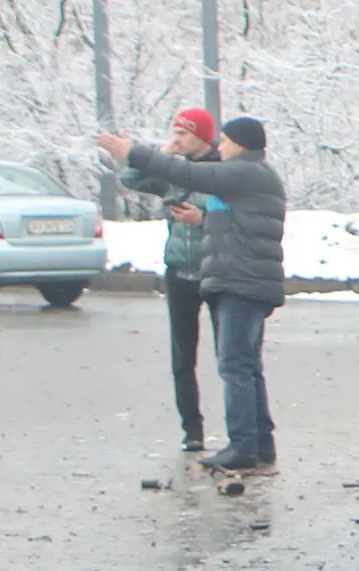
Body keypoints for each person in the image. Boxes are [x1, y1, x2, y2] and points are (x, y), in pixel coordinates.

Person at [96, 112, 286, 470]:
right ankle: (261, 443)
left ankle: (243, 445)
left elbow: (187, 173)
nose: (220, 147)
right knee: (246, 365)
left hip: (240, 280)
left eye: (225, 141)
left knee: (234, 365)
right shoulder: (255, 175)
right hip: (246, 279)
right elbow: (238, 222)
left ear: (240, 145)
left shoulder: (243, 172)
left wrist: (133, 151)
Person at [120, 107, 220, 451]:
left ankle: (240, 429)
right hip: (179, 271)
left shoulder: (221, 170)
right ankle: (192, 430)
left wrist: (202, 218)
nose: (177, 139)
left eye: (183, 133)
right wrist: (161, 153)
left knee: (228, 355)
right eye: (175, 132)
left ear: (201, 136)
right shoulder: (173, 171)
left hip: (214, 270)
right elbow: (131, 179)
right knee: (182, 357)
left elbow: (237, 215)